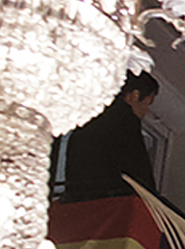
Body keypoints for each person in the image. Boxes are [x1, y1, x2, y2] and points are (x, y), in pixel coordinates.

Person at [60, 70, 158, 201]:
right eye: (147, 103)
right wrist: (151, 199)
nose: (147, 111)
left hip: (78, 198)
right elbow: (137, 166)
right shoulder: (125, 120)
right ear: (134, 95)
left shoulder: (89, 118)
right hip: (111, 200)